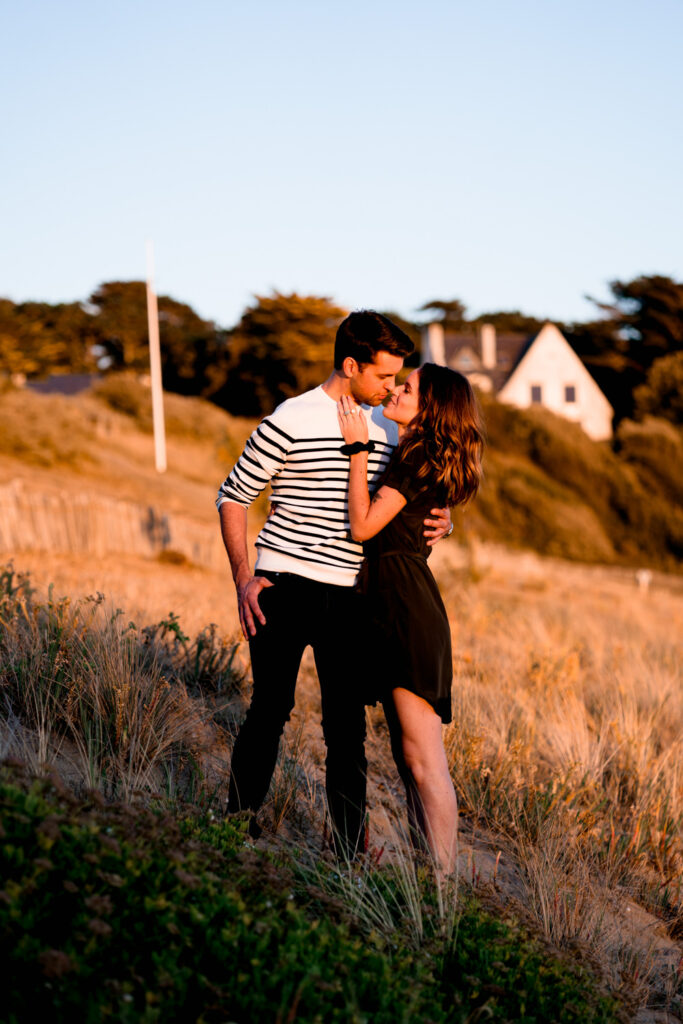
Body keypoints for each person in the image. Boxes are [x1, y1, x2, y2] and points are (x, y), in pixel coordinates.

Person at [216, 312, 453, 858]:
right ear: (351, 366)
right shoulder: (290, 418)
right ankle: (231, 834)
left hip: (351, 596)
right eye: (384, 377)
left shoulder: (390, 429)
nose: (392, 388)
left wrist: (443, 521)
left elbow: (410, 497)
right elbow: (233, 495)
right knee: (268, 713)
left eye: (398, 379)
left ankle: (347, 858)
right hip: (282, 585)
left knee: (346, 734)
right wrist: (243, 577)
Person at [337, 362, 484, 873]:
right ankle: (429, 881)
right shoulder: (419, 457)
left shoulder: (414, 459)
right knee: (409, 758)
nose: (397, 390)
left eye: (409, 388)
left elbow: (362, 526)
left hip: (405, 610)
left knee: (423, 761)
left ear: (430, 410)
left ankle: (441, 890)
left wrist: (357, 453)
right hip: (398, 605)